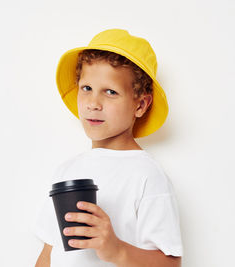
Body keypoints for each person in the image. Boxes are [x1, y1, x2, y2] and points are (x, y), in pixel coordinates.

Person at [33, 28, 183, 267]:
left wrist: (116, 250)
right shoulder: (65, 171)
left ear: (141, 104)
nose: (93, 103)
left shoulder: (146, 175)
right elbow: (49, 253)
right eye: (87, 88)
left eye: (110, 92)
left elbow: (171, 264)